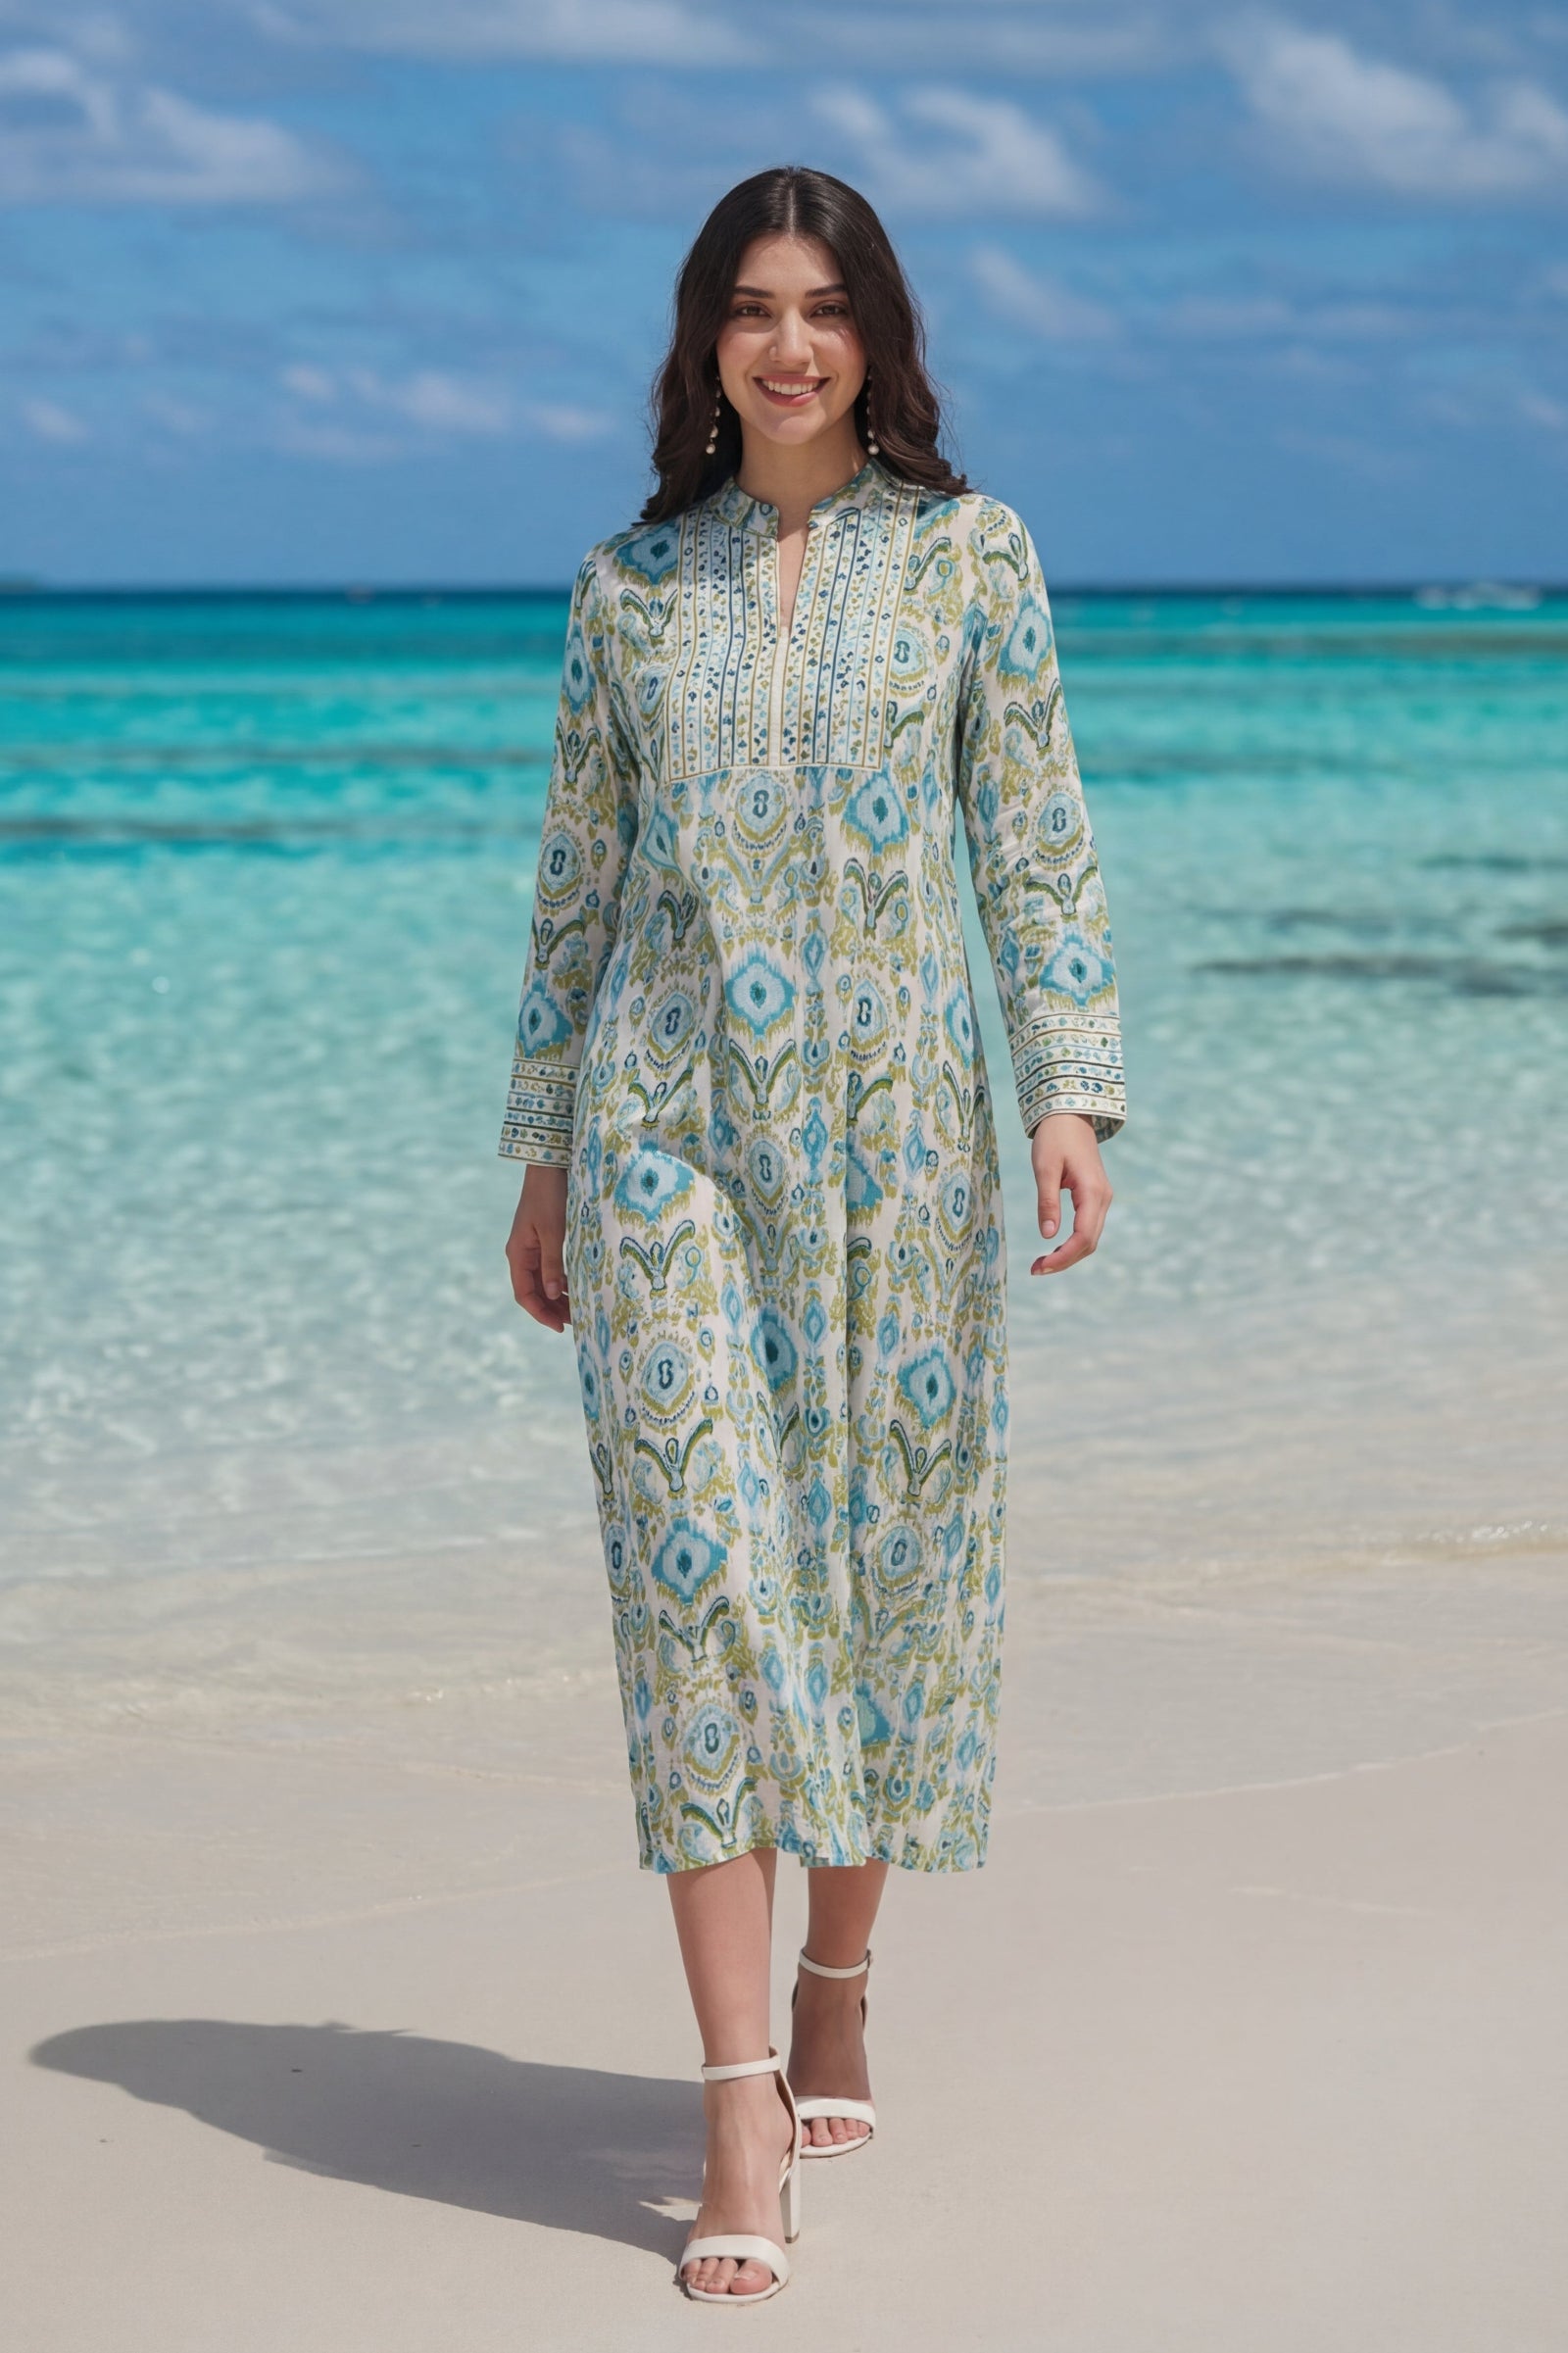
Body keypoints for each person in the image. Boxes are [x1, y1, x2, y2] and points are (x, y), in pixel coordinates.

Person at [502, 164, 1124, 2303]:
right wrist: (544, 1152)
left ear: (876, 334)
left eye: (823, 305)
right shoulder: (625, 587)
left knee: (871, 1574)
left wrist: (1065, 1090)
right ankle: (733, 2094)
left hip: (897, 1149)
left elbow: (1029, 831)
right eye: (751, 307)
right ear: (702, 339)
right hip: (666, 1133)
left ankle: (842, 1970)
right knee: (701, 1599)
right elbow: (578, 882)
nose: (787, 342)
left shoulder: (968, 559)